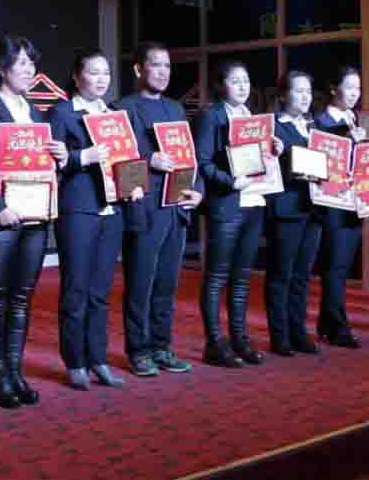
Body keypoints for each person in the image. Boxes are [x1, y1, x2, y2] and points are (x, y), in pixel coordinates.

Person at [0, 37, 68, 408]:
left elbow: (41, 166)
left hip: (35, 217)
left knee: (22, 299)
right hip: (0, 220)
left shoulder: (36, 113)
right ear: (1, 67)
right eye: (21, 63)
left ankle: (15, 372)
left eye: (31, 63)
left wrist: (60, 157)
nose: (28, 70)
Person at [48, 49, 144, 390]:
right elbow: (50, 163)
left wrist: (134, 185)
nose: (101, 79)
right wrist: (81, 157)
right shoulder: (61, 113)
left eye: (106, 73)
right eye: (93, 72)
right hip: (78, 208)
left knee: (101, 291)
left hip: (112, 209)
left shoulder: (115, 114)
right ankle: (75, 361)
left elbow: (127, 157)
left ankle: (98, 359)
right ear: (77, 77)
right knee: (76, 288)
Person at [114, 42, 203, 376]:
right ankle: (138, 350)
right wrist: (149, 159)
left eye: (167, 65)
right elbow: (117, 157)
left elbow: (189, 156)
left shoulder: (175, 109)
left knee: (166, 284)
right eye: (156, 65)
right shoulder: (122, 108)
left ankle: (162, 347)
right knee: (141, 284)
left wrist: (196, 191)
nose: (163, 72)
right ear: (139, 69)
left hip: (176, 206)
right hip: (144, 208)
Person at [194, 60, 281, 368]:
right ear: (221, 85)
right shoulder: (211, 115)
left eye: (246, 81)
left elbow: (260, 159)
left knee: (242, 277)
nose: (243, 86)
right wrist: (230, 181)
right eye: (235, 81)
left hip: (255, 201)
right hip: (227, 203)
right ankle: (214, 343)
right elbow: (202, 163)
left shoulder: (252, 118)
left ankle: (240, 339)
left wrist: (274, 150)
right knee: (217, 277)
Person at [313, 67, 369, 348]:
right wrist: (346, 138)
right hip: (331, 200)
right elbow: (320, 159)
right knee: (334, 265)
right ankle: (337, 327)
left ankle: (326, 322)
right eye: (349, 87)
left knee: (343, 265)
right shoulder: (319, 121)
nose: (355, 93)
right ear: (334, 89)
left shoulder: (355, 118)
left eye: (358, 88)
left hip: (354, 200)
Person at [263, 70, 323, 357]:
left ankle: (299, 332)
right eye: (299, 91)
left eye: (308, 91)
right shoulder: (274, 126)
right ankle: (280, 336)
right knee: (281, 275)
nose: (305, 97)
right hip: (286, 207)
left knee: (302, 276)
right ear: (283, 95)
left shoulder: (314, 127)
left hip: (313, 208)